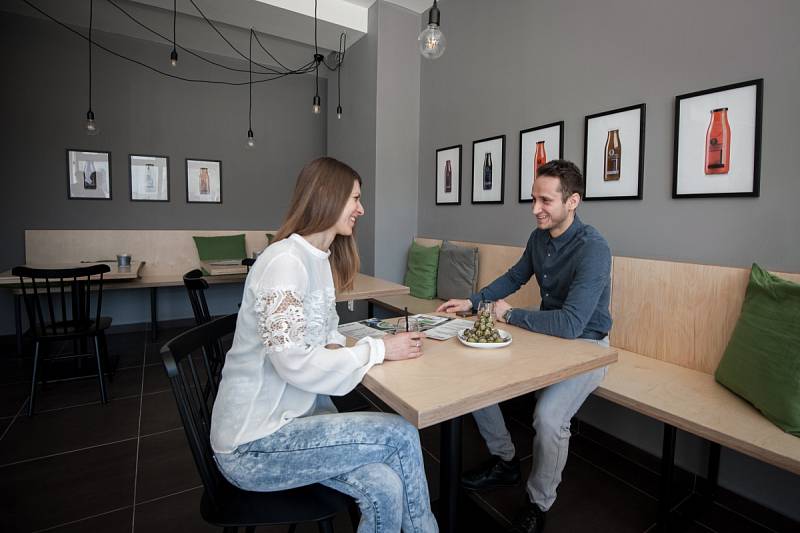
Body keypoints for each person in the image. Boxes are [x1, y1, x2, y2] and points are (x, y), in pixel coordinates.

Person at [211, 157, 439, 533]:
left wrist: (370, 345)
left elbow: (326, 333)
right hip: (253, 445)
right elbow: (292, 363)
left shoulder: (317, 259)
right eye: (355, 199)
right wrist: (379, 351)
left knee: (386, 486)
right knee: (401, 433)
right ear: (327, 198)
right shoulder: (284, 262)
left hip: (295, 421)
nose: (361, 209)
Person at [436, 160, 612, 533]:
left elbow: (572, 324)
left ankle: (538, 501)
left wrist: (511, 315)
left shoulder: (594, 248)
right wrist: (472, 302)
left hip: (589, 344)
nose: (535, 209)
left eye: (545, 201)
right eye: (534, 199)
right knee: (476, 380)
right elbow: (515, 277)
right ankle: (505, 460)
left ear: (573, 201)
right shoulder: (539, 238)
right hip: (547, 334)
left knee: (548, 419)